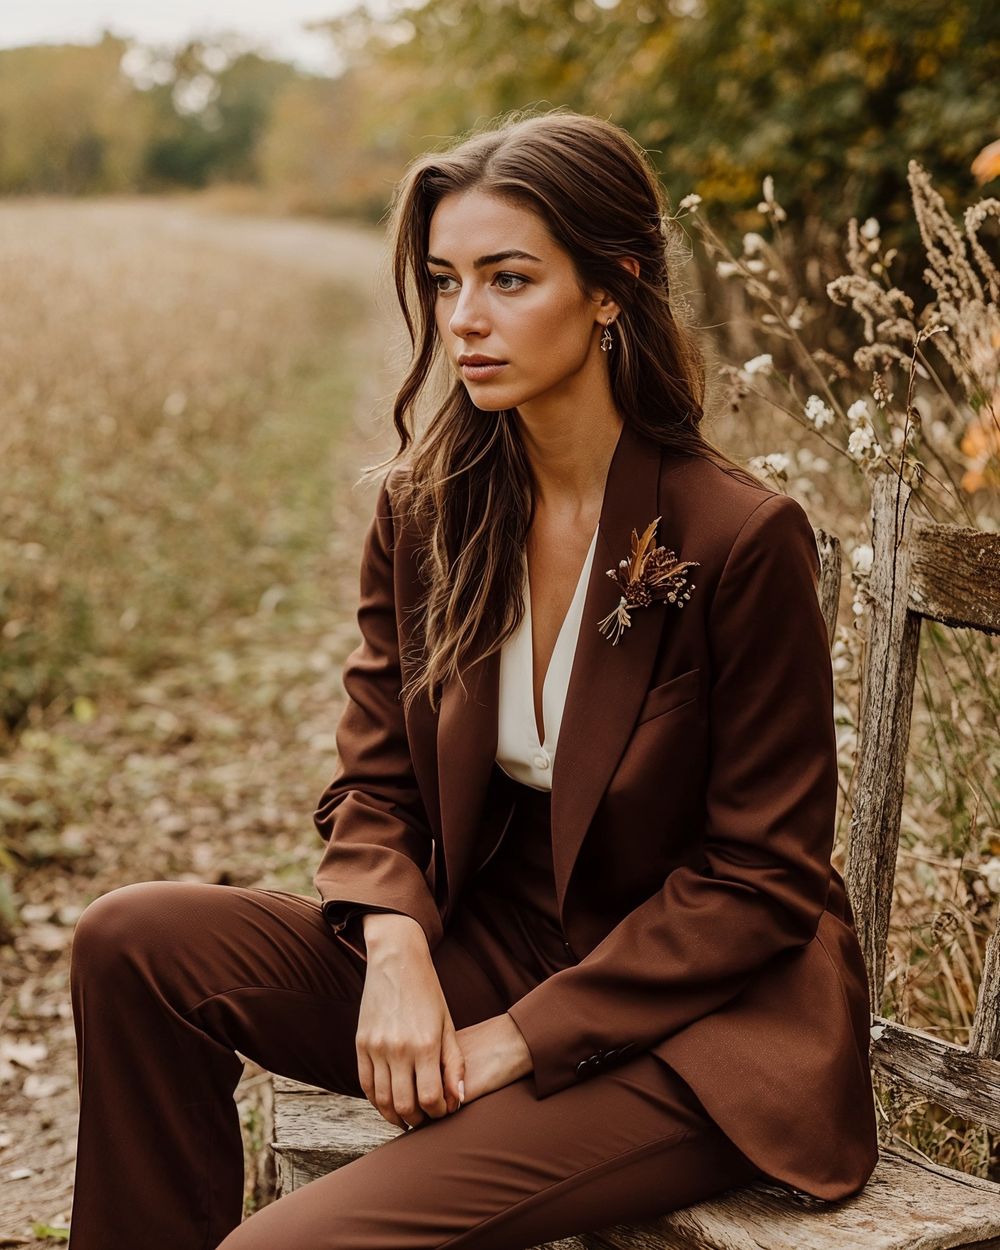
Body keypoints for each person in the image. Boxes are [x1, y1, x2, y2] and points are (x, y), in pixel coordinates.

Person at [67, 107, 879, 1250]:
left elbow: (760, 878)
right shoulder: (429, 508)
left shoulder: (738, 535)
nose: (464, 321)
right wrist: (395, 946)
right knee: (131, 940)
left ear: (611, 286)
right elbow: (375, 781)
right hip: (492, 943)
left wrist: (517, 1037)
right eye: (445, 281)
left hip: (699, 1024)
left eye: (508, 279)